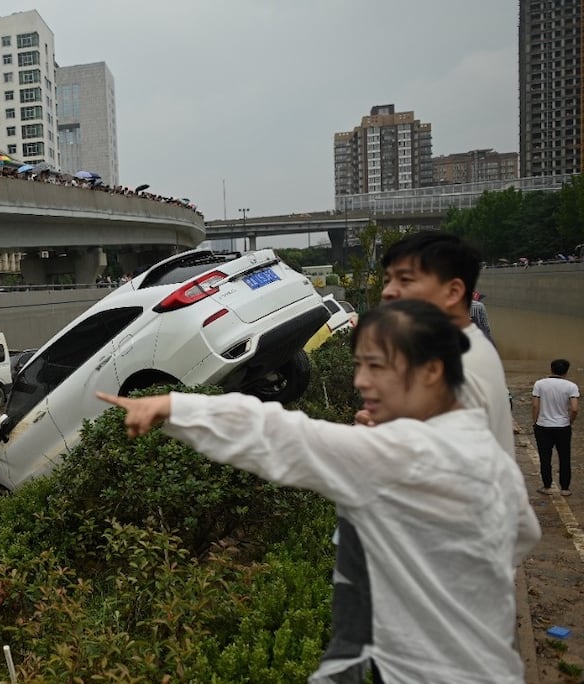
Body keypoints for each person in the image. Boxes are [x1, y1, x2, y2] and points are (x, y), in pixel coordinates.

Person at [98, 299, 540, 683]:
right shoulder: (480, 445)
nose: (362, 382)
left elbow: (282, 436)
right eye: (359, 366)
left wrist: (171, 405)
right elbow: (524, 533)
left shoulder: (396, 455)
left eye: (378, 367)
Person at [377, 231, 515, 458]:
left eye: (405, 280)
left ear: (453, 292)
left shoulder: (454, 371)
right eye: (387, 281)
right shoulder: (465, 348)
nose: (388, 292)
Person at [532, 358, 578, 495]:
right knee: (565, 456)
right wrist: (570, 421)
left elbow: (535, 405)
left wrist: (535, 421)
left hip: (543, 425)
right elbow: (574, 409)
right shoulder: (571, 386)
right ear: (566, 371)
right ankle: (565, 488)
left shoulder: (539, 384)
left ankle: (547, 486)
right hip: (563, 426)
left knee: (544, 457)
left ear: (551, 369)